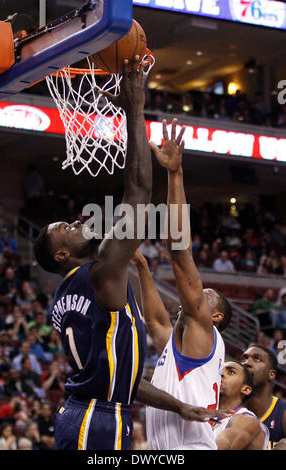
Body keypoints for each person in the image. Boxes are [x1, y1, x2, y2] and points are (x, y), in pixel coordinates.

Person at [33, 58, 228, 451]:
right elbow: (138, 193)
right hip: (96, 419)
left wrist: (178, 407)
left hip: (92, 412)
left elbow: (128, 381)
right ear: (64, 255)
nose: (76, 221)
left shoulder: (68, 294)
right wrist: (134, 108)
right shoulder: (100, 275)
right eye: (66, 228)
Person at [136, 118, 233, 450]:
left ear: (214, 317)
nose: (196, 293)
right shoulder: (181, 346)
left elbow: (179, 251)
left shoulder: (203, 329)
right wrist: (141, 265)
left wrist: (174, 175)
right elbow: (155, 322)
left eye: (207, 296)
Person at [213, 361, 269, 450]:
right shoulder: (204, 415)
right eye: (220, 370)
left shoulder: (247, 420)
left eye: (231, 372)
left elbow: (223, 445)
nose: (221, 374)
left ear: (246, 389)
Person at [241, 344, 286, 449]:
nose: (246, 363)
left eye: (257, 359)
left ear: (271, 375)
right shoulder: (227, 406)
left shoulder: (282, 413)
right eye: (244, 358)